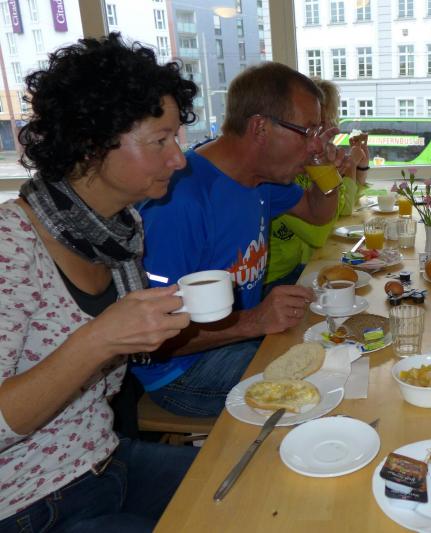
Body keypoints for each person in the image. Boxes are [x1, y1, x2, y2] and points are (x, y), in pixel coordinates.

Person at [0, 33, 197, 531]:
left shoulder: (120, 232)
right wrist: (99, 339)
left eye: (176, 138)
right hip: (28, 506)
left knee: (255, 488)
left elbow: (102, 389)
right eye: (160, 140)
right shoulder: (11, 243)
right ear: (91, 143)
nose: (179, 159)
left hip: (105, 460)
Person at [135, 63, 342, 418]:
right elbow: (154, 339)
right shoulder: (178, 202)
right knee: (329, 381)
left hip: (237, 336)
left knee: (334, 343)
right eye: (307, 132)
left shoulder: (259, 178)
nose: (313, 147)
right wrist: (255, 321)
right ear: (260, 127)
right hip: (182, 371)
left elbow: (317, 212)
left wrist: (324, 167)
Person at [266, 79, 369, 289]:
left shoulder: (309, 161)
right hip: (276, 280)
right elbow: (319, 232)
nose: (333, 127)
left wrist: (359, 168)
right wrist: (346, 169)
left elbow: (340, 208)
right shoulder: (280, 170)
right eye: (321, 123)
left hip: (297, 268)